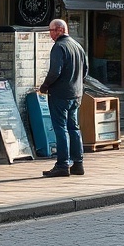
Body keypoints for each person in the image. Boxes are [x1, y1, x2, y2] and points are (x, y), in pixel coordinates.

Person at [38, 18, 88, 177]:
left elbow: (55, 72)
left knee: (60, 129)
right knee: (74, 128)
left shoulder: (59, 47)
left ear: (59, 30)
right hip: (76, 94)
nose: (50, 34)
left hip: (60, 94)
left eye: (51, 31)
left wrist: (44, 86)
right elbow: (85, 69)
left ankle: (62, 164)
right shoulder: (77, 45)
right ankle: (78, 163)